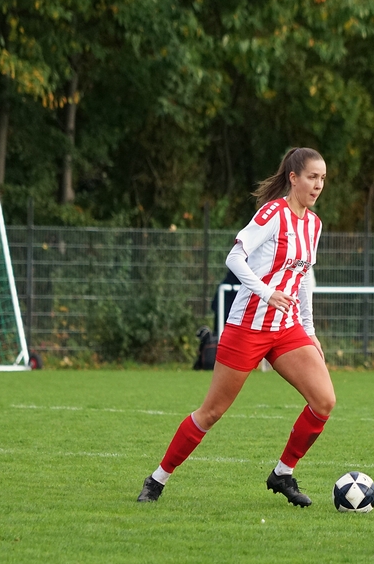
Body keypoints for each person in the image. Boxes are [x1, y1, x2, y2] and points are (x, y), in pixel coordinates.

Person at [138, 147, 333, 506]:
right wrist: (267, 292)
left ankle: (283, 473)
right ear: (293, 178)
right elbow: (234, 258)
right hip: (247, 327)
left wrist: (309, 330)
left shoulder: (314, 224)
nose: (318, 184)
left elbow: (304, 278)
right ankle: (157, 479)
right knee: (211, 412)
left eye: (322, 178)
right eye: (312, 177)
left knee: (324, 401)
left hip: (286, 328)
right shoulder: (272, 214)